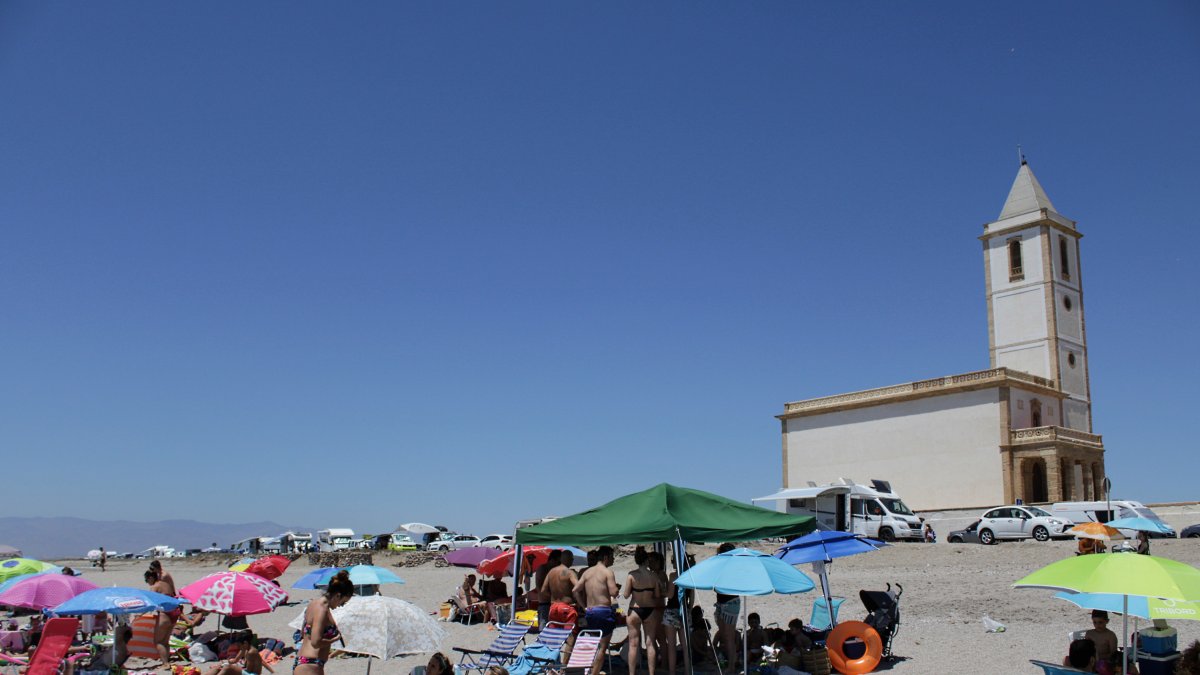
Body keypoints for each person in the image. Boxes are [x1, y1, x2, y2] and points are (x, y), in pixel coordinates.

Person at [294, 569, 352, 675]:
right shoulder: (322, 610)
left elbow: (303, 632)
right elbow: (315, 642)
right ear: (338, 595)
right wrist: (334, 639)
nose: (341, 606)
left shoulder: (313, 604)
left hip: (304, 661)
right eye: (343, 602)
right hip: (311, 665)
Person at [574, 545, 620, 675]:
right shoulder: (607, 572)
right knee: (603, 646)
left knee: (595, 643)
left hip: (590, 612)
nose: (613, 560)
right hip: (604, 611)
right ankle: (595, 672)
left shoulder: (587, 572)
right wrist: (616, 590)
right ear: (606, 557)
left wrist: (584, 606)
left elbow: (575, 591)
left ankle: (591, 669)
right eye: (612, 557)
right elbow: (613, 592)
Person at [623, 548, 663, 675]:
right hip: (650, 610)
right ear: (646, 560)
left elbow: (625, 595)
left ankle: (632, 673)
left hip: (635, 609)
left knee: (633, 644)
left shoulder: (631, 575)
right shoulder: (654, 576)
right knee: (650, 643)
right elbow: (657, 595)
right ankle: (651, 673)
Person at [712, 543, 740, 669]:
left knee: (728, 637)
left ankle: (731, 666)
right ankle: (731, 662)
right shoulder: (724, 567)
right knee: (725, 635)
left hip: (730, 603)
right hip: (722, 602)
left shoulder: (731, 568)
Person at [145, 568, 175, 667]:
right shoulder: (166, 584)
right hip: (173, 614)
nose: (147, 582)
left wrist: (140, 613)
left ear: (151, 577)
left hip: (164, 614)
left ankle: (165, 663)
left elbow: (150, 603)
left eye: (147, 580)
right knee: (165, 641)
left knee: (158, 642)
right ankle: (167, 660)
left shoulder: (155, 586)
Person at [533, 550, 562, 630]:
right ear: (552, 560)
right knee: (544, 629)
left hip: (554, 603)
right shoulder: (543, 569)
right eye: (559, 562)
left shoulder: (555, 570)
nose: (559, 564)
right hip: (545, 604)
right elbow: (540, 589)